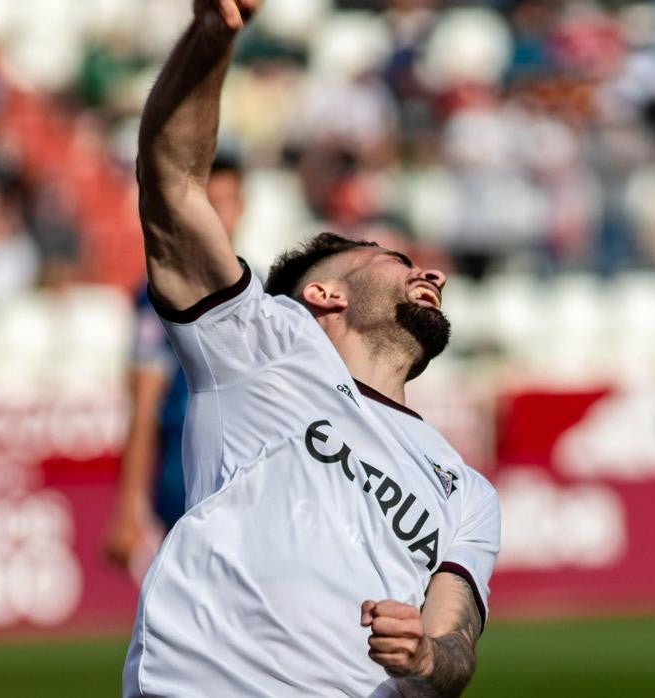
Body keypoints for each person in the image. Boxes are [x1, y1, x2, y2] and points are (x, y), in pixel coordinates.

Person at [123, 3, 500, 696]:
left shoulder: (466, 493)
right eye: (396, 258)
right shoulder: (262, 349)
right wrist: (212, 38)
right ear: (324, 295)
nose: (433, 273)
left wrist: (425, 657)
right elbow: (172, 185)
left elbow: (456, 647)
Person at [103, 153, 244, 579]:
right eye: (210, 205)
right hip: (188, 482)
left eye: (228, 203)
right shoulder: (160, 299)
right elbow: (144, 399)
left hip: (248, 480)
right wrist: (129, 507)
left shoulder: (265, 296)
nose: (220, 217)